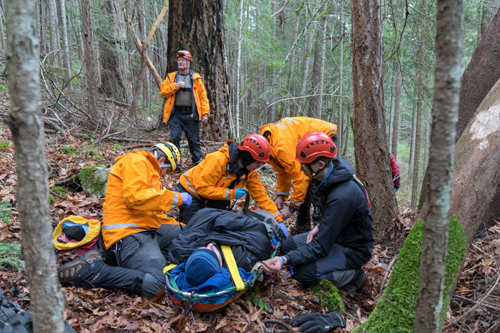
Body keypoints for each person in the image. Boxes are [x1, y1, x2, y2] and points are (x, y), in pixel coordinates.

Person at [57, 143, 193, 297]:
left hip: (147, 229)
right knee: (158, 285)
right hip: (128, 235)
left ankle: (151, 259)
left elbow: (155, 215)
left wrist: (183, 227)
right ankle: (93, 270)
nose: (165, 175)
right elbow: (135, 197)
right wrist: (177, 197)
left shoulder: (152, 176)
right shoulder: (136, 161)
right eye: (167, 170)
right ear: (161, 160)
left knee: (190, 234)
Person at [262, 132, 374, 292]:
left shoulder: (342, 194)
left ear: (320, 165)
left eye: (304, 164)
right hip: (337, 235)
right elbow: (338, 217)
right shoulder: (330, 176)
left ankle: (355, 276)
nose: (301, 168)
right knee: (286, 247)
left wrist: (284, 260)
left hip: (352, 249)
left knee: (301, 272)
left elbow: (321, 247)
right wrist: (320, 226)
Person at [177, 134, 289, 238]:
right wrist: (232, 194)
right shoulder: (219, 160)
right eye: (258, 162)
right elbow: (202, 188)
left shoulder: (250, 172)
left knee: (216, 227)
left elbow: (261, 197)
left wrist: (278, 219)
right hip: (191, 193)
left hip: (215, 196)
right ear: (248, 157)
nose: (259, 166)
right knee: (192, 230)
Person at [260, 117, 338, 234]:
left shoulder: (281, 148)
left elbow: (300, 178)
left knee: (313, 178)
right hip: (307, 141)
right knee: (305, 176)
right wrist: (281, 196)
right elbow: (283, 171)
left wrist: (292, 208)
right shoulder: (269, 145)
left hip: (323, 138)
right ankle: (303, 225)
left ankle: (319, 223)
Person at [160, 50, 210, 170]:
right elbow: (163, 91)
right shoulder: (171, 77)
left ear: (189, 63)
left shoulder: (195, 78)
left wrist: (205, 113)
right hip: (175, 114)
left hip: (191, 115)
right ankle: (176, 163)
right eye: (179, 60)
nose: (180, 62)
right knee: (175, 138)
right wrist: (176, 86)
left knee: (194, 140)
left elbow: (203, 97)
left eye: (183, 60)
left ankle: (196, 162)